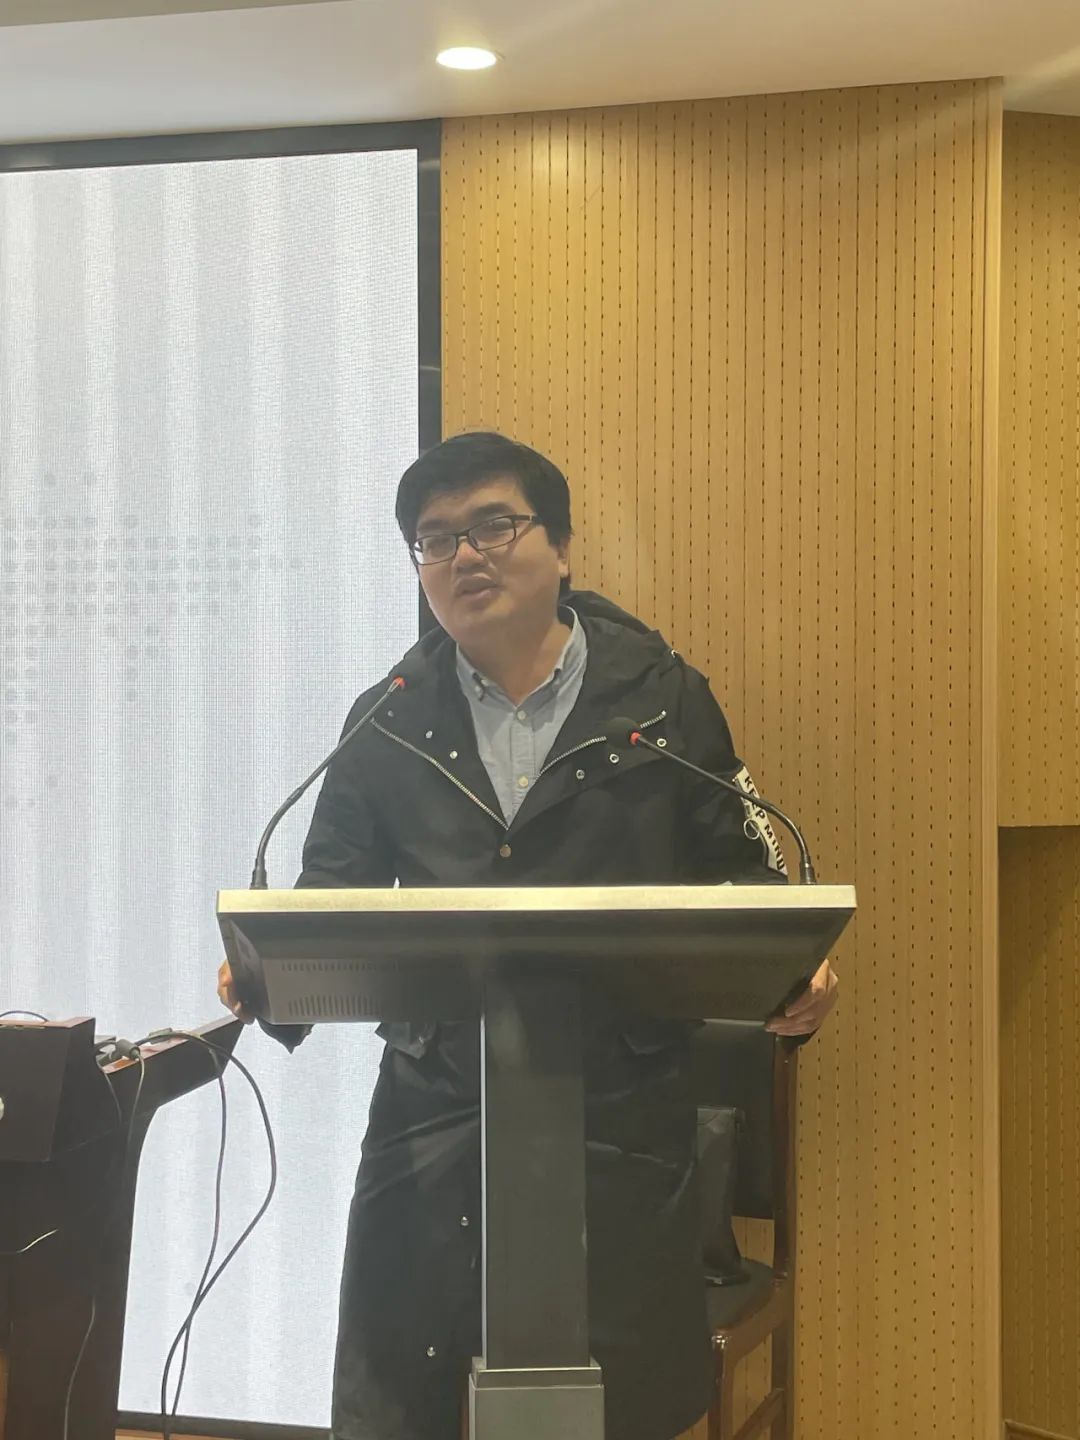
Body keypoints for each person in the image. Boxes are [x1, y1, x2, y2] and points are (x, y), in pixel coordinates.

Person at [218, 432, 838, 1440]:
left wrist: (795, 975)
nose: (464, 555)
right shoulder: (388, 719)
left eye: (493, 526)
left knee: (620, 1407)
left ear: (560, 546)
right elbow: (331, 898)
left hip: (618, 1117)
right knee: (413, 1406)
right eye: (435, 539)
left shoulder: (664, 701)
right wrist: (268, 974)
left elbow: (742, 872)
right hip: (436, 1119)